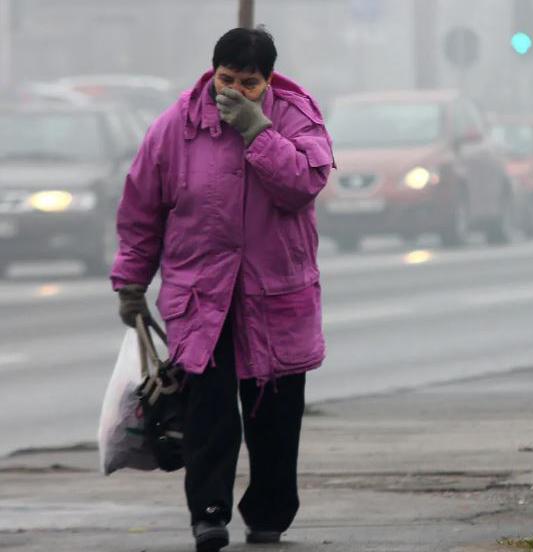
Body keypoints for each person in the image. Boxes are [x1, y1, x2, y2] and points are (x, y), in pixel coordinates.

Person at [111, 27, 334, 552]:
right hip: (201, 297)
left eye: (248, 83)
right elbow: (142, 210)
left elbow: (302, 185)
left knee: (273, 416)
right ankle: (207, 514)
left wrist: (260, 134)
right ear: (212, 72)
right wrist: (131, 282)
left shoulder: (296, 117)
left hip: (275, 295)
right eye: (225, 79)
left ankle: (269, 513)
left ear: (268, 81)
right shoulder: (176, 127)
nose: (233, 91)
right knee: (209, 415)